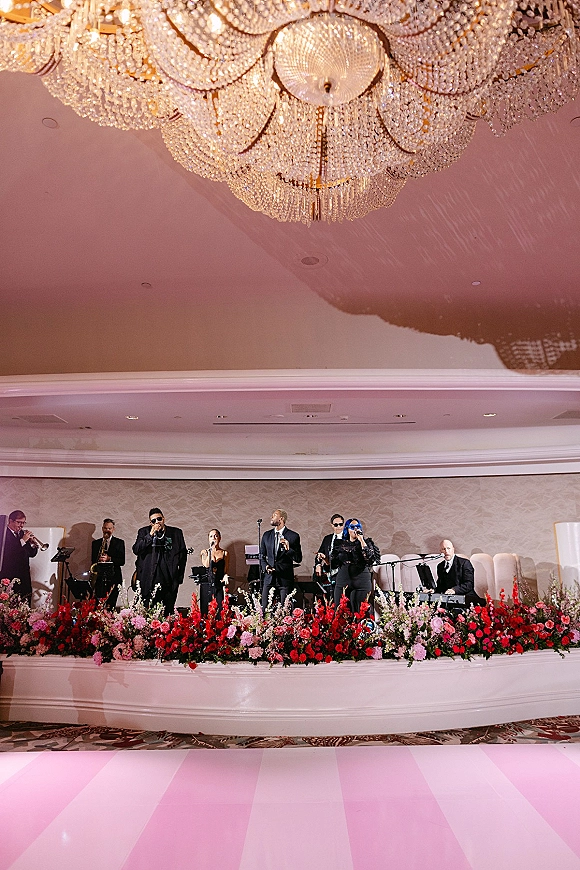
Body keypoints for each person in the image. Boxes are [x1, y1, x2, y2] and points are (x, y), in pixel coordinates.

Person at [132, 508, 187, 614]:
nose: (157, 522)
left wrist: (179, 577)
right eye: (153, 521)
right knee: (149, 612)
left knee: (168, 611)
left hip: (169, 578)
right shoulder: (143, 532)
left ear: (163, 519)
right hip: (149, 578)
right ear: (150, 523)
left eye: (159, 519)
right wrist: (150, 535)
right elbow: (136, 550)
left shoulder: (176, 533)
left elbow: (183, 555)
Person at [333, 518, 380, 613]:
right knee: (340, 611)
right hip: (343, 579)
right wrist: (324, 559)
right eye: (352, 527)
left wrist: (362, 540)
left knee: (361, 611)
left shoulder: (367, 543)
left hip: (361, 579)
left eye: (357, 527)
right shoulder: (340, 544)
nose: (355, 529)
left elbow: (370, 559)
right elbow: (334, 563)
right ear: (347, 529)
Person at [260, 509, 302, 609]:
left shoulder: (293, 536)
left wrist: (288, 549)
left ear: (281, 519)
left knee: (285, 609)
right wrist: (266, 567)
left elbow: (298, 558)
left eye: (274, 515)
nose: (271, 517)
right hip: (269, 578)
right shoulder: (266, 535)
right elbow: (261, 556)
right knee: (265, 608)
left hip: (285, 579)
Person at [0, 510, 38, 603]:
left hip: (24, 574)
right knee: (11, 601)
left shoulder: (22, 534)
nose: (21, 525)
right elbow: (9, 553)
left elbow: (31, 554)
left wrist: (33, 544)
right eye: (19, 522)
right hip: (10, 573)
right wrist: (22, 541)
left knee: (25, 598)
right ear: (10, 521)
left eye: (23, 523)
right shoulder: (4, 534)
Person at [435, 539, 484, 606]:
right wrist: (433, 591)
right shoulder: (440, 566)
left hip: (467, 600)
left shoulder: (464, 563)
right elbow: (441, 586)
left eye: (448, 548)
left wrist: (454, 590)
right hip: (450, 601)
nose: (446, 551)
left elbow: (469, 584)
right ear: (440, 551)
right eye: (443, 549)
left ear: (453, 549)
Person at [91, 518, 125, 609]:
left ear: (113, 529)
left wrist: (109, 558)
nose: (107, 531)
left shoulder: (119, 543)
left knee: (111, 605)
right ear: (102, 529)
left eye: (109, 529)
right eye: (105, 528)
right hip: (100, 578)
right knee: (98, 606)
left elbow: (122, 561)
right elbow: (93, 560)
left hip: (114, 578)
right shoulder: (96, 543)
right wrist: (99, 560)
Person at [200, 528, 229, 615]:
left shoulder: (224, 553)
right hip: (207, 582)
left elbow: (226, 569)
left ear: (219, 538)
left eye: (216, 536)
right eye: (211, 536)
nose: (214, 538)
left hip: (219, 582)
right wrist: (210, 551)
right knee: (206, 609)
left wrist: (225, 576)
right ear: (208, 539)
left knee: (219, 608)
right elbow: (206, 565)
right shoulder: (204, 552)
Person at [314, 514, 345, 590]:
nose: (338, 527)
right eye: (336, 525)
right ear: (332, 525)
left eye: (340, 524)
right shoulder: (327, 538)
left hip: (342, 572)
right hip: (329, 572)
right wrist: (318, 565)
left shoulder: (347, 538)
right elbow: (320, 553)